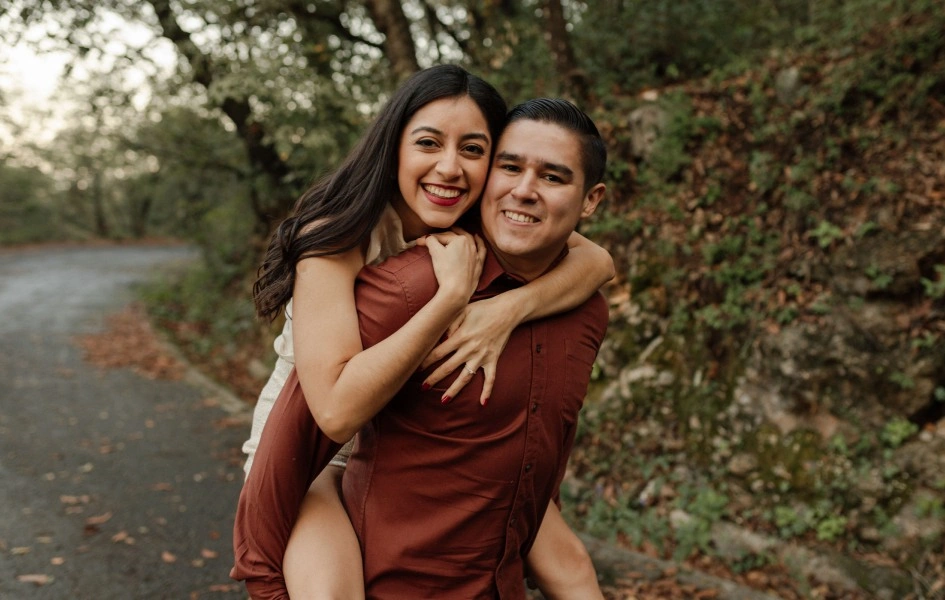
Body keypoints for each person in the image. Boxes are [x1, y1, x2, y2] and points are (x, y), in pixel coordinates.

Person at [234, 65, 613, 599]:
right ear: (394, 146)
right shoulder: (339, 235)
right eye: (429, 143)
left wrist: (507, 311)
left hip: (404, 441)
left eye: (474, 150)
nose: (450, 167)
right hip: (318, 450)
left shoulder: (481, 219)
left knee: (570, 564)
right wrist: (450, 301)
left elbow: (597, 261)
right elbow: (336, 412)